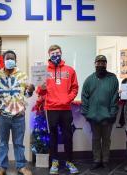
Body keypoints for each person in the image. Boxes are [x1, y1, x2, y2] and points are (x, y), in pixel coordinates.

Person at [0, 50, 35, 175]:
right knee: (3, 143)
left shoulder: (22, 75)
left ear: (15, 60)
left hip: (18, 116)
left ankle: (21, 166)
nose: (10, 60)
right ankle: (2, 167)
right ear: (3, 61)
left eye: (12, 58)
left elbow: (26, 94)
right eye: (7, 58)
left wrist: (30, 91)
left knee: (19, 143)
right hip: (3, 116)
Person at [38, 45, 79, 174]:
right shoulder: (43, 71)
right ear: (49, 55)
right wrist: (42, 88)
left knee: (68, 136)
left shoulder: (70, 70)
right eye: (53, 53)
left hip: (66, 108)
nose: (55, 55)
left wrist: (68, 99)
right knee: (53, 137)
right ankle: (54, 162)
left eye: (57, 52)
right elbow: (39, 91)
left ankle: (69, 161)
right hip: (51, 109)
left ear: (61, 53)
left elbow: (75, 88)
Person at [81, 55, 119, 171]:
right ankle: (97, 160)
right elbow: (84, 97)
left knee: (106, 139)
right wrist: (86, 113)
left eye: (103, 63)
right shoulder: (89, 79)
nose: (101, 65)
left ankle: (106, 160)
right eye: (99, 63)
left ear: (106, 64)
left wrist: (113, 113)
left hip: (108, 115)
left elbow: (115, 97)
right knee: (96, 139)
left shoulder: (113, 79)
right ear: (95, 64)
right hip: (93, 116)